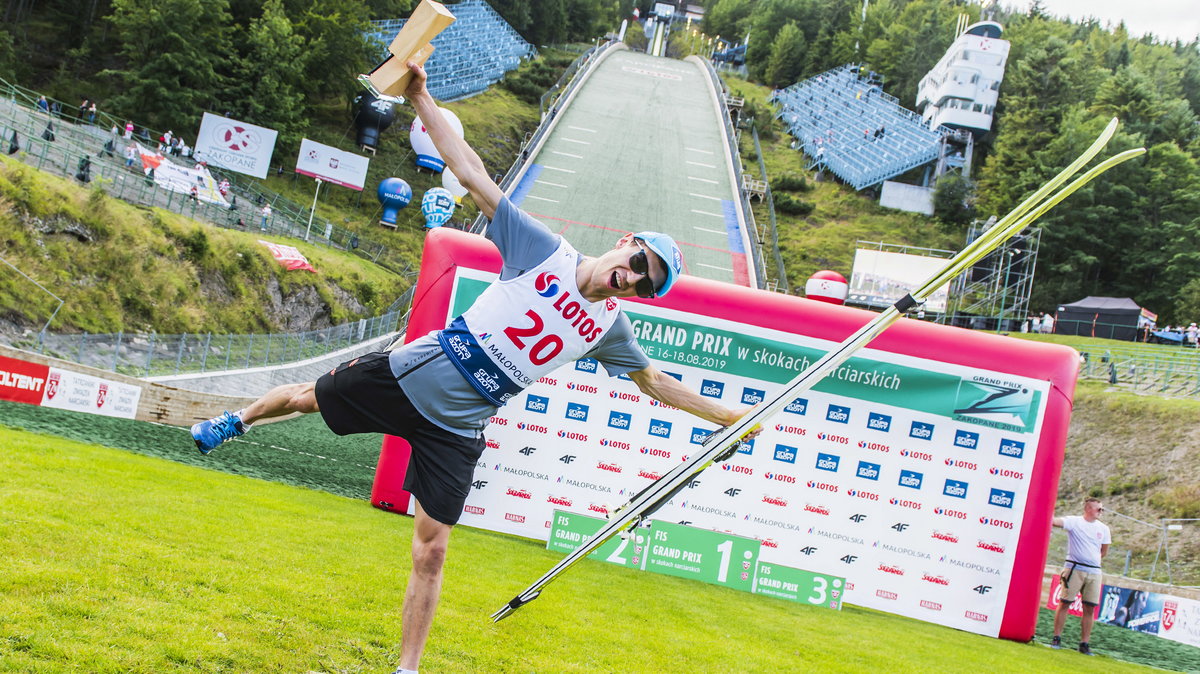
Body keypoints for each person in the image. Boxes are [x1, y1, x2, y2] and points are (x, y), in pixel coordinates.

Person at [190, 60, 758, 674]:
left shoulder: (609, 326)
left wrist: (729, 415)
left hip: (458, 428)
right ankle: (237, 422)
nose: (631, 278)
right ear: (626, 240)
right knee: (304, 398)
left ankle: (407, 669)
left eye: (644, 285)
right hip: (413, 374)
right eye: (637, 262)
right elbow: (469, 170)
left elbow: (654, 383)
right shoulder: (541, 248)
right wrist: (421, 97)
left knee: (431, 551)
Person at [1050, 497, 1111, 655]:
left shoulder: (1104, 528)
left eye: (1101, 509)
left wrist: (1091, 559)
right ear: (1088, 509)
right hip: (1074, 569)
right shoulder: (1074, 522)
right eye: (1098, 509)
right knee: (1064, 603)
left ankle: (1084, 643)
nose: (1101, 512)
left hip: (1094, 571)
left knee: (1090, 608)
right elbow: (1055, 521)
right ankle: (1056, 637)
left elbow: (1104, 551)